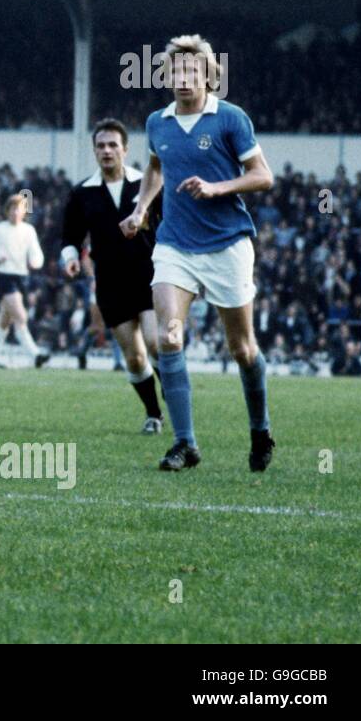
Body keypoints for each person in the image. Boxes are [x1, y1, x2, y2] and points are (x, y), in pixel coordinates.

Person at [121, 35, 276, 472]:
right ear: (166, 77)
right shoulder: (158, 123)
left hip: (228, 244)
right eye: (176, 73)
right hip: (175, 245)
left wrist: (217, 188)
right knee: (169, 337)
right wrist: (140, 209)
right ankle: (185, 443)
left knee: (242, 349)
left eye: (193, 72)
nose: (185, 79)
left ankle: (261, 430)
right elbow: (155, 168)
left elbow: (263, 176)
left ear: (210, 76)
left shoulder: (230, 119)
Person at [61, 118, 166, 433]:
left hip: (149, 276)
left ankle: (175, 393)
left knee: (154, 342)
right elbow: (69, 237)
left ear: (125, 149)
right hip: (110, 283)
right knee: (134, 358)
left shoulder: (147, 184)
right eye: (101, 146)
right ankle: (154, 415)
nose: (106, 151)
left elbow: (167, 225)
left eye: (112, 145)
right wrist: (70, 259)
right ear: (94, 151)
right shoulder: (82, 193)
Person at [0, 193, 49, 367]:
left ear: (24, 211)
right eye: (12, 208)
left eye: (19, 209)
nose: (15, 212)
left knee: (5, 320)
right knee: (21, 316)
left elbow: (37, 254)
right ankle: (35, 354)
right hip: (4, 277)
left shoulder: (29, 230)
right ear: (7, 210)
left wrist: (35, 262)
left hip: (22, 278)